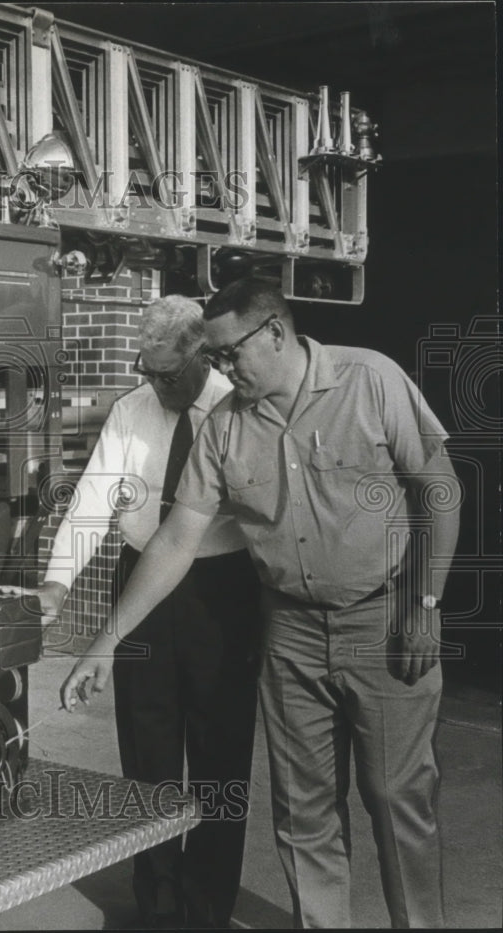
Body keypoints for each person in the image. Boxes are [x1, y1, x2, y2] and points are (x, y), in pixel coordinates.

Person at [61, 278, 460, 929]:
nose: (219, 370)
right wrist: (104, 643)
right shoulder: (225, 428)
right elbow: (175, 540)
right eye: (211, 359)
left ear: (274, 331)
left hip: (382, 620)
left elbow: (439, 485)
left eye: (226, 355)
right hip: (290, 632)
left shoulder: (371, 380)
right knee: (303, 814)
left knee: (396, 799)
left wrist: (427, 600)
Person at [6, 296, 262, 928]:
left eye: (166, 373)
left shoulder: (239, 412)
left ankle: (207, 908)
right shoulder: (130, 412)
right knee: (145, 753)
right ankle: (156, 903)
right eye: (144, 370)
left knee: (218, 756)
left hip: (219, 591)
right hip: (142, 584)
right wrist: (58, 585)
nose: (153, 384)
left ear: (203, 357)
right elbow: (93, 502)